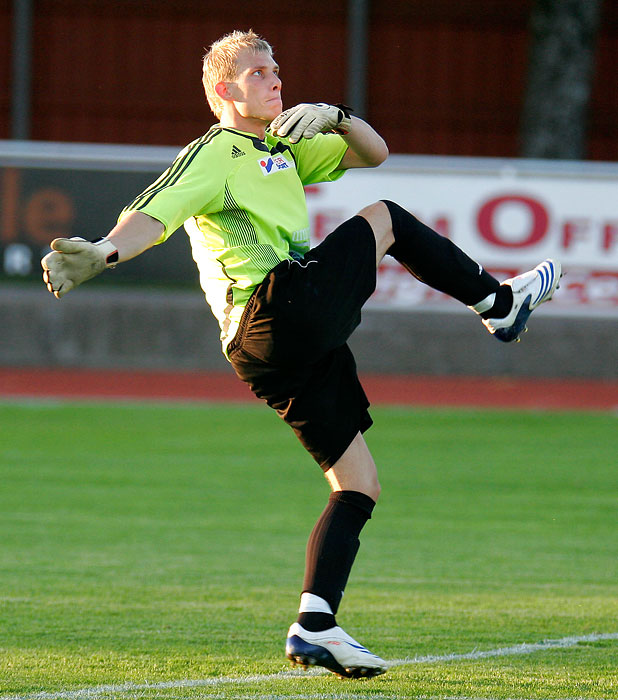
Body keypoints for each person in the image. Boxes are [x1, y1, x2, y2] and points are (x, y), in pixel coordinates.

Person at [41, 30, 561, 679]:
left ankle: (316, 625)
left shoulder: (281, 147)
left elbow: (374, 152)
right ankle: (498, 305)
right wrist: (104, 251)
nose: (277, 81)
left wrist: (339, 117)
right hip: (274, 309)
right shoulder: (217, 149)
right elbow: (156, 213)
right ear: (226, 90)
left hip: (280, 345)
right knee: (386, 218)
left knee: (358, 485)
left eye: (278, 70)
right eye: (260, 73)